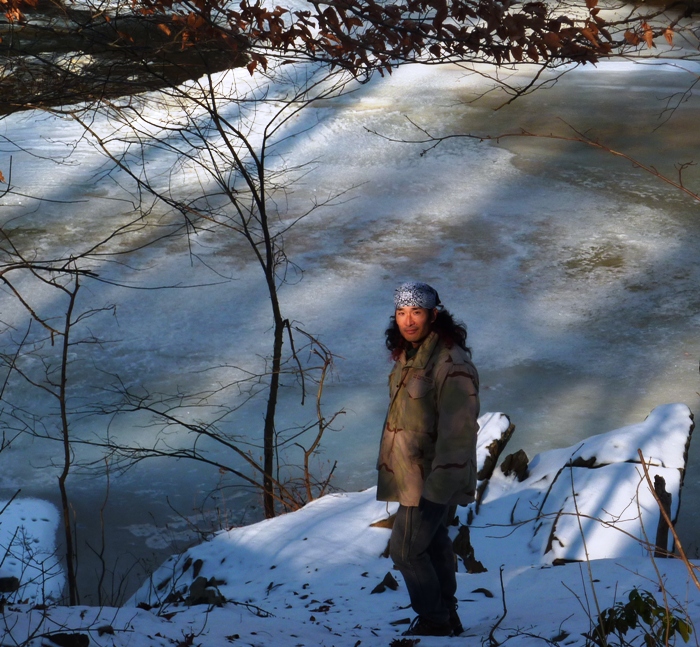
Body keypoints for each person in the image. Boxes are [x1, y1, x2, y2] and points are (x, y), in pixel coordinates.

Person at [376, 281, 480, 637]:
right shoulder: (411, 356)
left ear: (434, 315)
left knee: (404, 551)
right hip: (412, 473)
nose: (408, 320)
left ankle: (434, 619)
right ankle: (446, 617)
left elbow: (460, 431)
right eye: (401, 312)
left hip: (433, 478)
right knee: (433, 545)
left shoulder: (451, 363)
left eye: (416, 312)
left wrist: (439, 487)